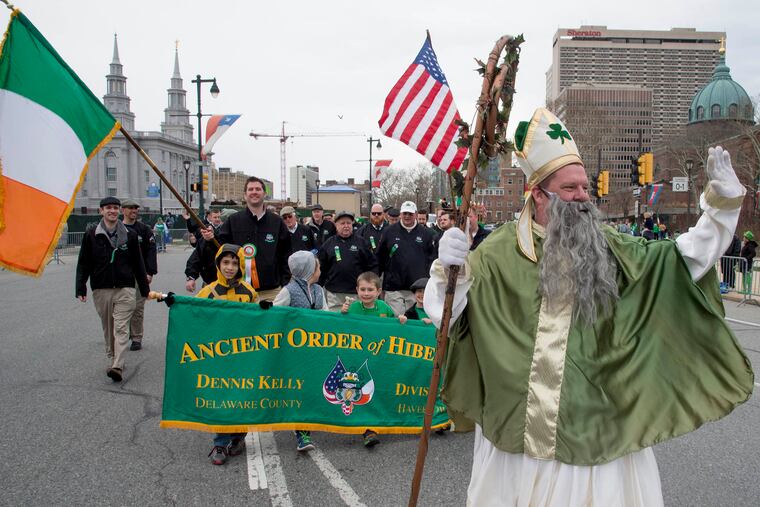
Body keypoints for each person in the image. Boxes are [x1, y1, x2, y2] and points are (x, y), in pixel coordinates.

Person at [425, 108, 753, 506]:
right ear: (538, 194)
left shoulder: (611, 245)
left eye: (584, 187)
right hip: (516, 435)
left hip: (597, 431)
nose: (583, 196)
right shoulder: (498, 252)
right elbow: (448, 313)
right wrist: (448, 270)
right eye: (570, 188)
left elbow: (682, 260)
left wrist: (721, 207)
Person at [76, 197, 150, 382]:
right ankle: (112, 358)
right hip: (101, 288)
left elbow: (138, 263)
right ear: (101, 211)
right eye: (108, 208)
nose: (112, 211)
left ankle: (117, 364)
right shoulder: (91, 234)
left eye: (115, 208)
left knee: (121, 326)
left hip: (125, 288)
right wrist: (81, 286)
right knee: (108, 327)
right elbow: (84, 262)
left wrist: (144, 288)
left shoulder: (129, 235)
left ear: (119, 211)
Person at [197, 244, 257, 465]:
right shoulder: (208, 292)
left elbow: (257, 322)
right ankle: (220, 443)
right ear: (218, 264)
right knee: (221, 397)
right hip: (219, 358)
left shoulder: (249, 293)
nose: (230, 267)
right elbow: (195, 317)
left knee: (241, 397)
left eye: (234, 263)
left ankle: (238, 436)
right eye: (225, 262)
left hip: (242, 357)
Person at [201, 176, 291, 302]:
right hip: (239, 291)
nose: (254, 192)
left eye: (258, 189)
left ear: (264, 194)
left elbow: (286, 254)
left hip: (271, 292)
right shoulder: (233, 221)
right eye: (251, 189)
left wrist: (285, 283)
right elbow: (220, 250)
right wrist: (210, 240)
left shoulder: (277, 222)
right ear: (245, 195)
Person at [273, 250, 328, 452]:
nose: (320, 270)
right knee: (301, 389)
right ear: (309, 269)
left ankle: (313, 419)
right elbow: (274, 315)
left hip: (317, 350)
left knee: (313, 386)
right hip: (295, 352)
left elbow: (327, 316)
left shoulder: (319, 291)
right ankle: (302, 432)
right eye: (318, 266)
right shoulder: (288, 291)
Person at [340, 271, 395, 447]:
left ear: (378, 291)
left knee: (375, 391)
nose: (366, 293)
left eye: (370, 289)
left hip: (379, 359)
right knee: (361, 392)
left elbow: (396, 328)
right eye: (362, 289)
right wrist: (342, 315)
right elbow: (339, 329)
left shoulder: (385, 308)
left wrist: (402, 321)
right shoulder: (352, 308)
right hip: (357, 360)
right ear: (357, 290)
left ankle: (373, 425)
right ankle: (366, 429)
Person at [376, 201, 436, 316]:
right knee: (396, 320)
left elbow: (431, 259)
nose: (407, 216)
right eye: (404, 213)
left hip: (416, 288)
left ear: (416, 214)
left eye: (410, 213)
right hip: (393, 287)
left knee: (412, 321)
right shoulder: (389, 232)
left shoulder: (426, 234)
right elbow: (380, 256)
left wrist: (428, 280)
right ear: (400, 214)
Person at [318, 211, 378, 311]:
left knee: (355, 322)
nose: (346, 226)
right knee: (336, 322)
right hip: (334, 293)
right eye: (342, 223)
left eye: (348, 223)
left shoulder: (361, 242)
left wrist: (370, 284)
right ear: (336, 225)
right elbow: (322, 268)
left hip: (356, 293)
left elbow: (372, 265)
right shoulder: (328, 244)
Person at [120, 199, 157, 351]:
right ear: (123, 210)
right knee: (121, 307)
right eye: (130, 208)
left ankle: (136, 337)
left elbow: (151, 251)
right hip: (121, 274)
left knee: (137, 307)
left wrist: (149, 272)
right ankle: (121, 335)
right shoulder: (117, 228)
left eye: (136, 209)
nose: (134, 211)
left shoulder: (144, 229)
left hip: (139, 274)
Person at [185, 209, 228, 293]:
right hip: (209, 279)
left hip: (227, 280)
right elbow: (197, 255)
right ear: (210, 218)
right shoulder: (204, 230)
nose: (217, 219)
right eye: (215, 217)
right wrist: (191, 277)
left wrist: (214, 236)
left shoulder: (226, 231)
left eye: (219, 217)